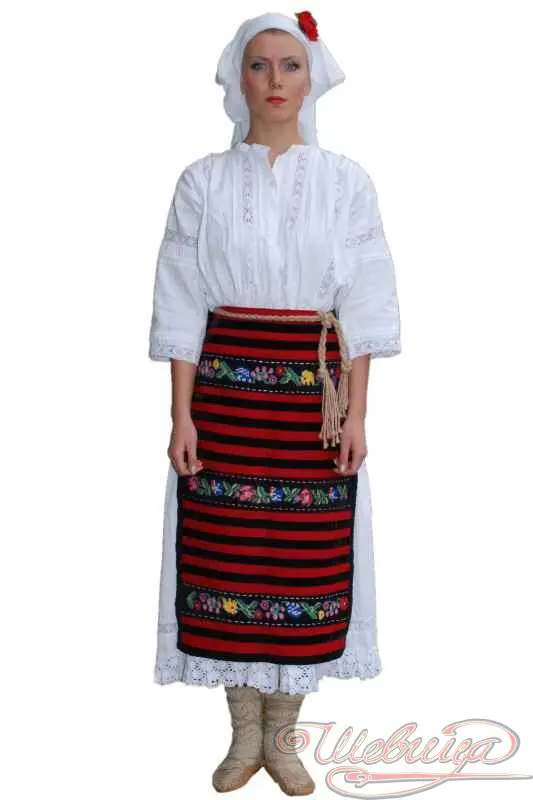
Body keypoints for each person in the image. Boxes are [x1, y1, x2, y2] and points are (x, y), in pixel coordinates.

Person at [148, 10, 401, 796]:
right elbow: (180, 302)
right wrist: (180, 415)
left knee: (304, 565)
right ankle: (242, 737)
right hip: (224, 396)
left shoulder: (345, 182)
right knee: (225, 555)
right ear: (238, 78)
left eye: (289, 65)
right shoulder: (202, 181)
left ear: (312, 77)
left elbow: (365, 305)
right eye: (259, 66)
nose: (275, 81)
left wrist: (356, 414)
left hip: (311, 403)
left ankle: (283, 741)